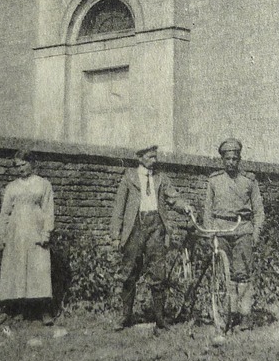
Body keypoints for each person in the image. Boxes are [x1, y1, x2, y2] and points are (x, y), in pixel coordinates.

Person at [110, 145, 195, 333]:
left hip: (156, 227)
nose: (154, 160)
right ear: (140, 157)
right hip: (135, 228)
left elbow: (174, 198)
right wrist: (116, 236)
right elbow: (118, 209)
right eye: (150, 157)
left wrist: (185, 207)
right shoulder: (129, 177)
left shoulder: (160, 178)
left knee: (158, 273)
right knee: (129, 271)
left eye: (155, 157)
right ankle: (125, 316)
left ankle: (159, 318)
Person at [204, 137, 265, 331]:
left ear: (240, 159)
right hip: (221, 230)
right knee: (224, 273)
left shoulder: (249, 181)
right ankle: (228, 313)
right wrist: (209, 233)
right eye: (227, 158)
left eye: (235, 158)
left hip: (242, 230)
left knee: (243, 273)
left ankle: (245, 315)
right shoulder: (214, 181)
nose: (231, 162)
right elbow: (207, 210)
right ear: (222, 159)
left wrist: (255, 233)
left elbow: (259, 211)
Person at [0, 153, 55, 323]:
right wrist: (2, 234)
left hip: (35, 231)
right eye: (17, 166)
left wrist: (46, 232)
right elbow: (5, 212)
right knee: (19, 268)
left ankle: (45, 311)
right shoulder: (12, 187)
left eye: (23, 164)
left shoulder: (43, 184)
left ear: (31, 164)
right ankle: (20, 309)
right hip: (16, 233)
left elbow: (48, 210)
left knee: (39, 268)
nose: (21, 168)